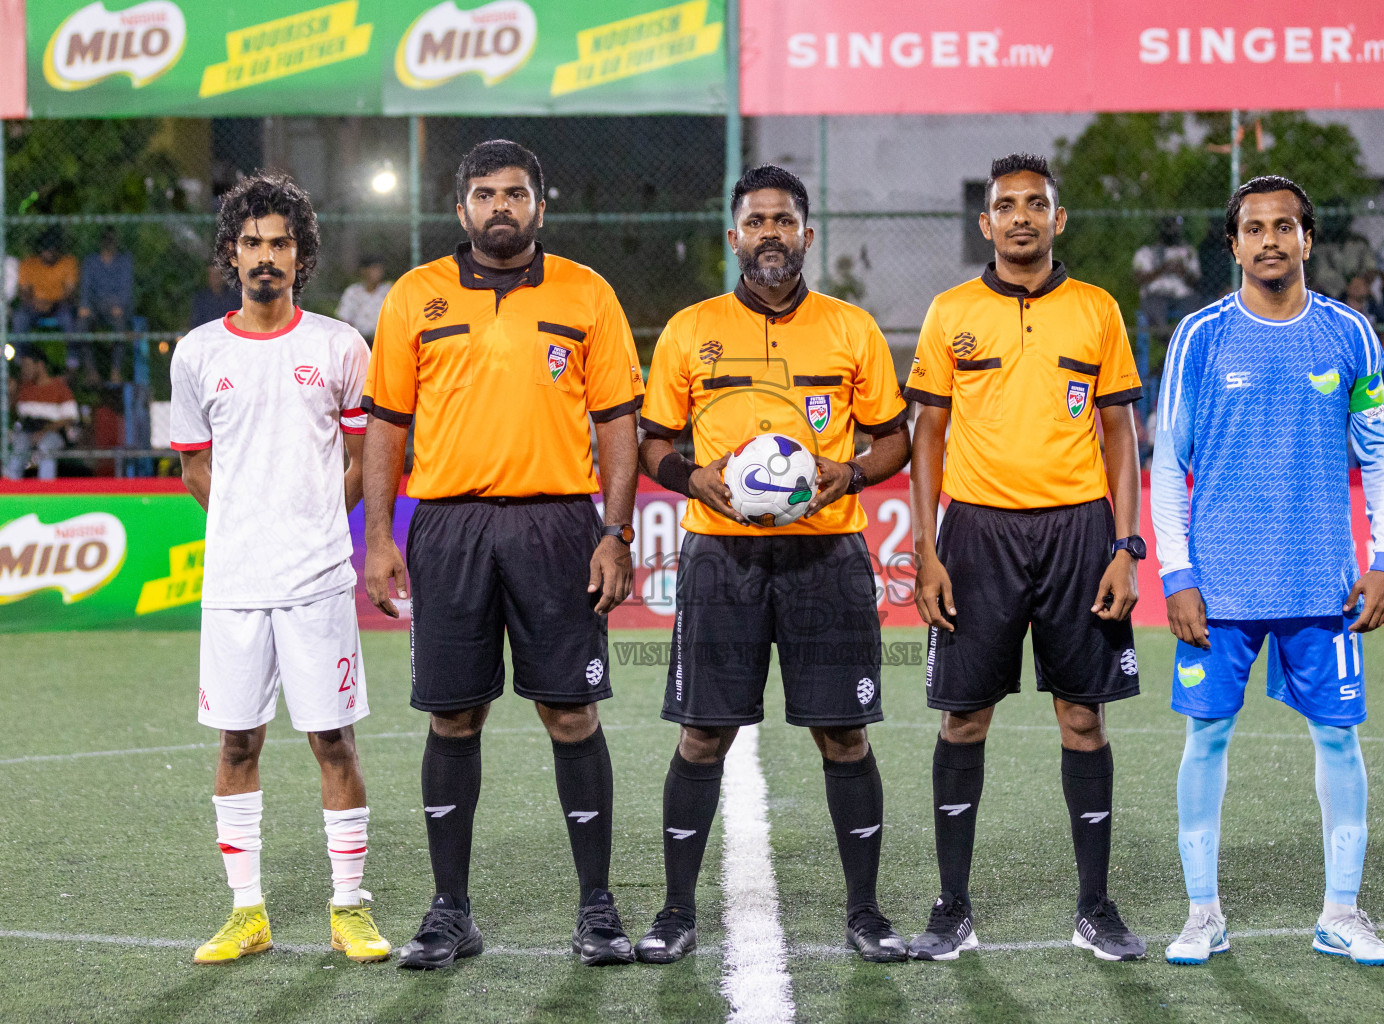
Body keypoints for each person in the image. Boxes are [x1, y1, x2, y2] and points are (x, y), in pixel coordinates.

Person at [361, 140, 645, 970]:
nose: (500, 207)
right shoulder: (415, 296)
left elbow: (618, 422)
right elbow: (386, 426)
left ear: (540, 206)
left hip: (558, 524)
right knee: (454, 716)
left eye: (515, 193)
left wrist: (615, 532)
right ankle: (450, 913)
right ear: (461, 209)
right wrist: (380, 538)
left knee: (571, 713)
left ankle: (597, 909)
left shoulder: (587, 293)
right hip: (448, 528)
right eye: (484, 193)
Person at [631, 164, 912, 965]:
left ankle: (865, 913)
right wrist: (695, 480)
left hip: (829, 554)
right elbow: (653, 441)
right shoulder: (690, 330)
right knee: (702, 735)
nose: (770, 236)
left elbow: (893, 435)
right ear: (734, 238)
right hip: (721, 557)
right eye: (755, 222)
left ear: (806, 235)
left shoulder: (851, 329)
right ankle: (677, 912)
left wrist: (851, 472)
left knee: (843, 734)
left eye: (784, 221)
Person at [1151, 175, 1384, 968]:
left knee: (1339, 739)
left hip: (1321, 585)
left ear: (1308, 238)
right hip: (1218, 591)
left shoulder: (1349, 336)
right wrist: (1177, 571)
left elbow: (1381, 455)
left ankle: (1341, 912)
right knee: (1207, 737)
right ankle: (1203, 914)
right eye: (1254, 228)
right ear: (1233, 246)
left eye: (1284, 226)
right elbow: (1167, 466)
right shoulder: (1199, 337)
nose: (1270, 240)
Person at [905, 153, 1147, 962]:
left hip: (1080, 533)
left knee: (1083, 716)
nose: (1020, 218)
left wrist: (1125, 545)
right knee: (963, 718)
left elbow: (1120, 434)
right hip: (976, 536)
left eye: (1035, 205)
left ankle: (1095, 909)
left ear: (1058, 219)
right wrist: (927, 545)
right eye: (1005, 206)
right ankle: (952, 909)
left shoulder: (1098, 311)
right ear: (986, 223)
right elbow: (927, 433)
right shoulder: (949, 313)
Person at [169, 172, 389, 965]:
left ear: (302, 256)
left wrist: (317, 520)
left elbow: (366, 456)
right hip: (233, 583)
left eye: (281, 244)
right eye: (252, 243)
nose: (267, 256)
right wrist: (246, 523)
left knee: (334, 742)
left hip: (318, 579)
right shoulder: (197, 354)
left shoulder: (338, 345)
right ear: (231, 254)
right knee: (237, 743)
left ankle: (348, 909)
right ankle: (247, 912)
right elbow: (194, 467)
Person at [4, 345, 77, 480]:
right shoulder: (24, 388)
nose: (24, 370)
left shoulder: (59, 386)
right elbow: (14, 415)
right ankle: (11, 488)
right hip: (28, 432)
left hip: (53, 432)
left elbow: (70, 417)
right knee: (19, 446)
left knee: (46, 445)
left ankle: (45, 490)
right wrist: (12, 393)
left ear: (40, 365)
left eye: (27, 365)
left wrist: (45, 431)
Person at [77, 227, 135, 381]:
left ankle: (115, 371)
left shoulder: (124, 261)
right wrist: (84, 306)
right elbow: (86, 287)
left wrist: (120, 306)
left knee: (120, 326)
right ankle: (91, 372)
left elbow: (125, 288)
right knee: (82, 326)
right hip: (95, 307)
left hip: (115, 308)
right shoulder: (91, 261)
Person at [1132, 216, 1200, 332]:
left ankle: (1194, 337)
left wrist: (1182, 271)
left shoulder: (1188, 251)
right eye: (1169, 227)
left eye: (1175, 227)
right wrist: (1162, 269)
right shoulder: (1147, 252)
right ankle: (1166, 337)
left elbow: (1197, 281)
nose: (1172, 231)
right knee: (1154, 306)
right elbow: (1138, 279)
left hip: (1182, 295)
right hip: (1156, 295)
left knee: (1196, 303)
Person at [13, 228, 78, 335]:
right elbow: (24, 292)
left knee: (69, 317)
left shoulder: (68, 262)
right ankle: (21, 351)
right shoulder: (29, 264)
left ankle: (74, 352)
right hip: (34, 305)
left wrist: (52, 304)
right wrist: (36, 303)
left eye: (54, 249)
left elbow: (70, 292)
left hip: (59, 306)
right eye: (47, 250)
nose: (50, 253)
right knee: (20, 317)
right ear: (41, 250)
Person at [1306, 203, 1376, 300]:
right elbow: (1313, 273)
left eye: (1339, 218)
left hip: (1353, 293)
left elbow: (1371, 269)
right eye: (1332, 218)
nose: (1335, 223)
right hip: (1324, 293)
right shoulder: (1316, 244)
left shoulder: (1359, 242)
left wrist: (1361, 281)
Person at [335, 256, 393, 344]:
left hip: (384, 341)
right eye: (373, 268)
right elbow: (345, 319)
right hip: (358, 340)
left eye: (379, 269)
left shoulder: (389, 291)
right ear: (364, 271)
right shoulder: (353, 292)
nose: (377, 272)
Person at [189, 264, 244, 329]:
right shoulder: (201, 298)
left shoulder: (235, 298)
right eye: (212, 275)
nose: (214, 279)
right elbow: (196, 322)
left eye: (217, 275)